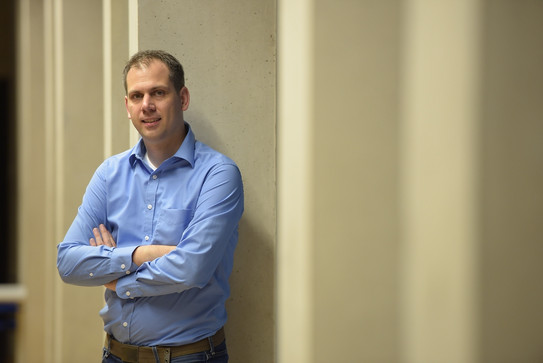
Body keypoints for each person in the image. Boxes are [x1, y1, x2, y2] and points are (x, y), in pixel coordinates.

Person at [57, 50, 244, 363]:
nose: (147, 105)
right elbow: (68, 262)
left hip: (190, 357)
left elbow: (192, 267)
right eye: (136, 95)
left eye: (158, 92)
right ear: (127, 106)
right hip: (115, 355)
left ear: (182, 98)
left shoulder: (218, 174)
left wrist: (116, 278)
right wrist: (141, 255)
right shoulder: (109, 174)